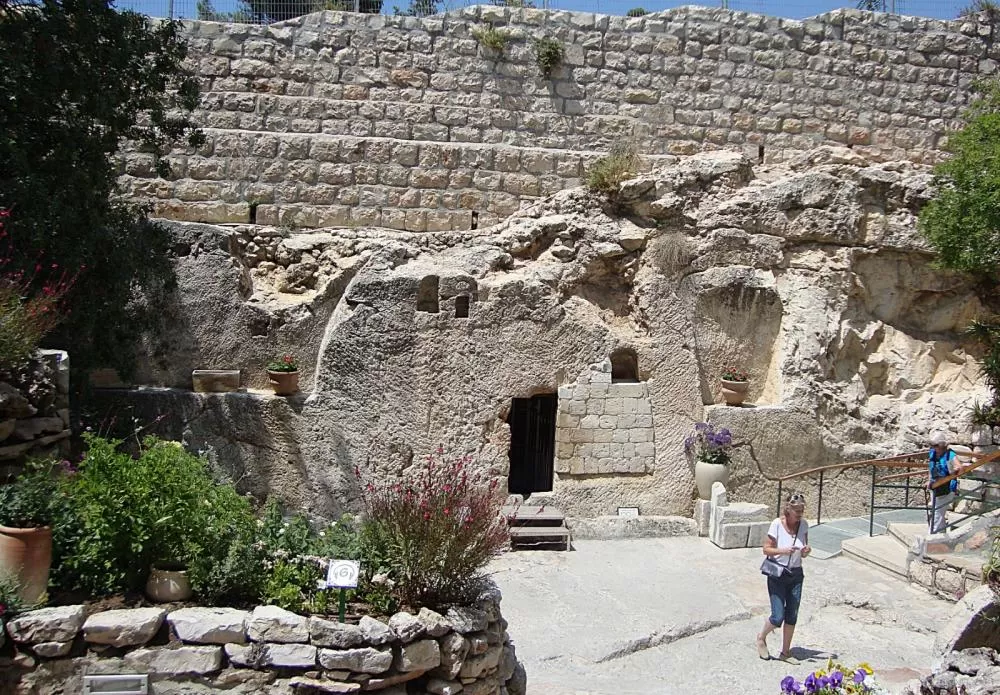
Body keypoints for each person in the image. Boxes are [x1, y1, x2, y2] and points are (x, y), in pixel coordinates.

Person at [756, 492, 811, 664]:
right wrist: (783, 550)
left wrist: (805, 552)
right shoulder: (776, 525)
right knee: (778, 616)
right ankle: (761, 637)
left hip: (795, 574)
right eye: (796, 511)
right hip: (778, 574)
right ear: (788, 510)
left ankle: (785, 652)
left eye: (801, 510)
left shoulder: (804, 525)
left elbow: (804, 551)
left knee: (792, 614)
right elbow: (766, 549)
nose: (800, 514)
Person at [927, 431, 963, 534]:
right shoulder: (932, 453)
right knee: (938, 513)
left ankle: (931, 536)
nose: (934, 448)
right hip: (935, 486)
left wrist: (956, 468)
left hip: (947, 488)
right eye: (932, 445)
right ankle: (941, 538)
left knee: (937, 513)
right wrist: (929, 480)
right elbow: (930, 467)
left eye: (936, 445)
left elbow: (959, 468)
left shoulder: (950, 455)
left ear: (942, 445)